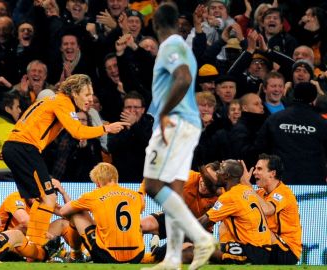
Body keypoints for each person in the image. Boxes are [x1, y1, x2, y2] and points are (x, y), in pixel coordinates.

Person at [2, 74, 129, 246]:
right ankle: (35, 244)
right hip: (25, 148)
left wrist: (11, 149)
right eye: (86, 94)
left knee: (41, 198)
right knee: (49, 198)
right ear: (75, 92)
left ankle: (32, 243)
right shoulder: (63, 102)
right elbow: (77, 131)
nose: (90, 99)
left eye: (91, 95)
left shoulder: (49, 100)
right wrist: (106, 128)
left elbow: (27, 123)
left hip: (16, 146)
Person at [141, 4, 216, 270]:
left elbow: (182, 78)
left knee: (152, 185)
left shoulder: (169, 46)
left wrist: (164, 111)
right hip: (189, 124)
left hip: (174, 123)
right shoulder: (184, 46)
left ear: (154, 25)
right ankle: (172, 258)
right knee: (173, 190)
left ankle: (200, 238)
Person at [59, 162, 145, 263]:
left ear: (98, 182)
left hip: (107, 256)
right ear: (116, 178)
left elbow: (63, 211)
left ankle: (75, 256)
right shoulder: (136, 196)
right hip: (137, 255)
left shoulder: (93, 195)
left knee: (77, 213)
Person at [198, 159, 272, 264]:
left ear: (226, 176)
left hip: (251, 251)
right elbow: (212, 187)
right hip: (262, 249)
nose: (217, 172)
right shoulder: (244, 189)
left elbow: (203, 222)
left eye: (220, 169)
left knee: (193, 251)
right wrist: (201, 166)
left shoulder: (230, 197)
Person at [241, 154, 302, 265]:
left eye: (259, 169)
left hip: (287, 251)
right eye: (255, 169)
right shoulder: (260, 193)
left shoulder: (284, 192)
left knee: (257, 230)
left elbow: (267, 209)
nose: (254, 172)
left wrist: (247, 185)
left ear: (272, 174)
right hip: (269, 245)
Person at [108, 91, 153, 182]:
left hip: (145, 178)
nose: (132, 110)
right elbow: (111, 148)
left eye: (136, 107)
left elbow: (149, 146)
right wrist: (128, 130)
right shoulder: (116, 125)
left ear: (143, 110)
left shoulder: (150, 125)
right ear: (123, 109)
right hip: (121, 178)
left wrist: (134, 126)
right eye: (128, 107)